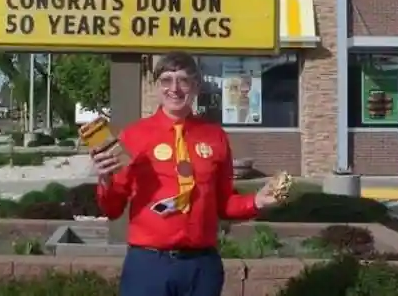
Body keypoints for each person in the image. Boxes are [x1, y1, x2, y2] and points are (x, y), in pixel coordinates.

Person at [90, 51, 281, 296]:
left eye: (183, 80)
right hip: (148, 265)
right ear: (156, 86)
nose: (175, 89)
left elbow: (223, 204)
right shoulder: (133, 136)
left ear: (196, 86)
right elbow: (113, 208)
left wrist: (256, 201)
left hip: (200, 266)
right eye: (166, 80)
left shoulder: (214, 137)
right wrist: (105, 180)